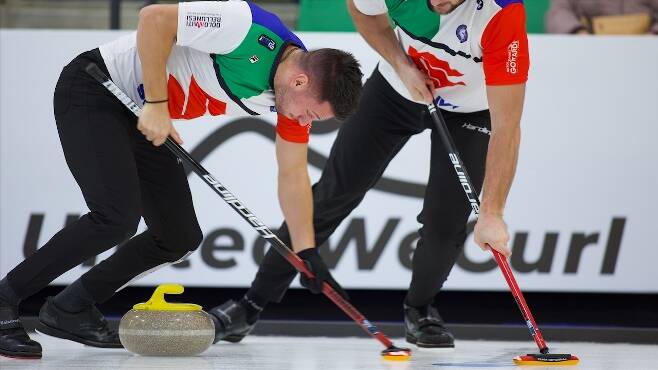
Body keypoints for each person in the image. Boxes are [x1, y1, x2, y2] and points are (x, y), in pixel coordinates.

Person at [0, 1, 363, 359]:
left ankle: (71, 308)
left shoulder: (291, 96)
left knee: (178, 236)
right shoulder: (246, 27)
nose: (305, 122)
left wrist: (306, 250)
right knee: (114, 218)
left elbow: (293, 173)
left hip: (142, 115)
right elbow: (154, 17)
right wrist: (158, 104)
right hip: (97, 88)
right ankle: (4, 299)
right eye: (311, 113)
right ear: (300, 80)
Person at [211, 0, 529, 349]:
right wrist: (400, 63)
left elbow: (507, 126)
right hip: (396, 87)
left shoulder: (503, 15)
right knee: (332, 193)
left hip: (470, 109)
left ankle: (420, 310)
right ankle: (251, 305)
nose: (438, 2)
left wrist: (493, 212)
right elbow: (361, 9)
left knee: (446, 219)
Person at [545, 0, 658, 35]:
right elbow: (558, 12)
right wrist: (578, 32)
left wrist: (654, 34)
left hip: (649, 55)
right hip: (589, 53)